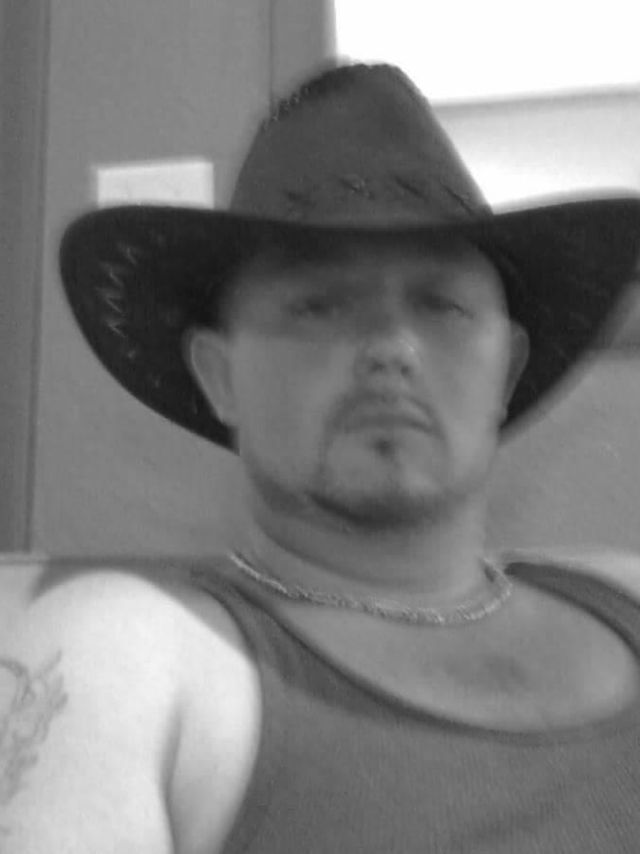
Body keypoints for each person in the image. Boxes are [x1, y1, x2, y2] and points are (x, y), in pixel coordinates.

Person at [4, 62, 640, 853]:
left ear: (506, 372)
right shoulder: (122, 652)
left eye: (440, 303)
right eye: (319, 305)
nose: (392, 347)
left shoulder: (624, 596)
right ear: (219, 377)